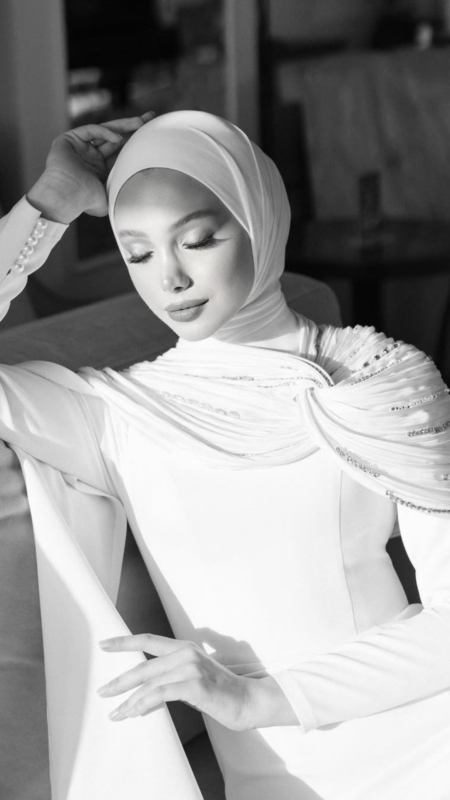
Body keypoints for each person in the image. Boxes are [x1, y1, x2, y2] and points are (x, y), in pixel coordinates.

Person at [1, 109, 450, 800]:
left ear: (259, 218)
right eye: (138, 254)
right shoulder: (116, 416)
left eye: (198, 240)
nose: (171, 279)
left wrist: (255, 699)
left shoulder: (378, 380)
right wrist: (48, 206)